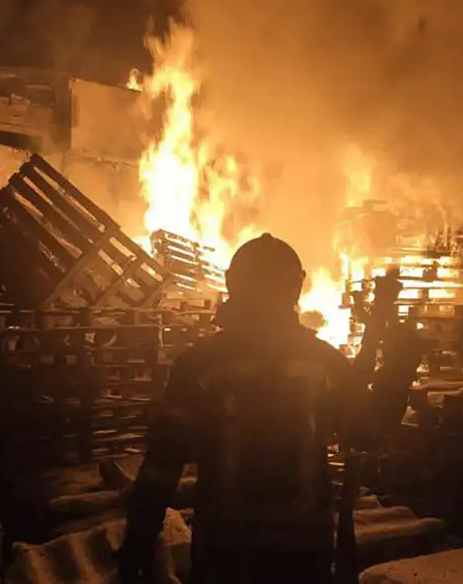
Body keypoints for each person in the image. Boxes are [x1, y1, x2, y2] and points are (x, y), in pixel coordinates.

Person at [116, 233, 373, 584]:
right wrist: (396, 367)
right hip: (304, 549)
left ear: (232, 283)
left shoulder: (199, 363)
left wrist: (138, 543)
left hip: (225, 548)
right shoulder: (326, 362)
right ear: (296, 286)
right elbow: (365, 434)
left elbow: (163, 463)